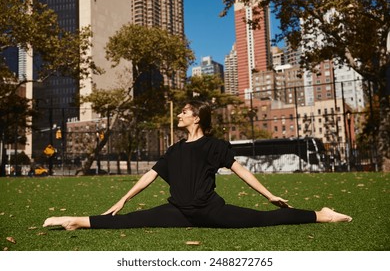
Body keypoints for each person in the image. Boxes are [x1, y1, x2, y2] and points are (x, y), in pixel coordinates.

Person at [43, 100, 352, 231]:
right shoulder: (174, 150)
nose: (180, 115)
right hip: (178, 211)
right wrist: (123, 199)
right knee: (131, 219)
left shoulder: (214, 146)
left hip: (211, 211)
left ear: (198, 118)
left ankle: (320, 215)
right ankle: (77, 220)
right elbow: (150, 176)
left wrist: (269, 195)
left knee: (265, 219)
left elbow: (240, 170)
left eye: (185, 112)